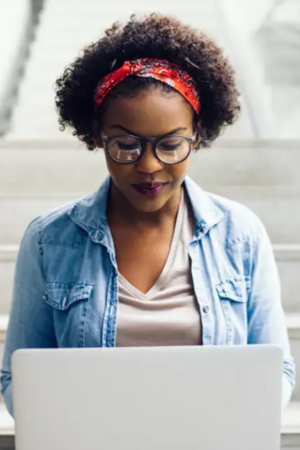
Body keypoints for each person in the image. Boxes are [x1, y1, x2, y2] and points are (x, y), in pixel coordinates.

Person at [1, 13, 295, 417]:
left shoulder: (240, 234)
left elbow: (277, 369)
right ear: (96, 136)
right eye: (125, 144)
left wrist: (233, 422)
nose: (149, 166)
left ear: (197, 134)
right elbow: (17, 377)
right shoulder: (50, 240)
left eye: (171, 145)